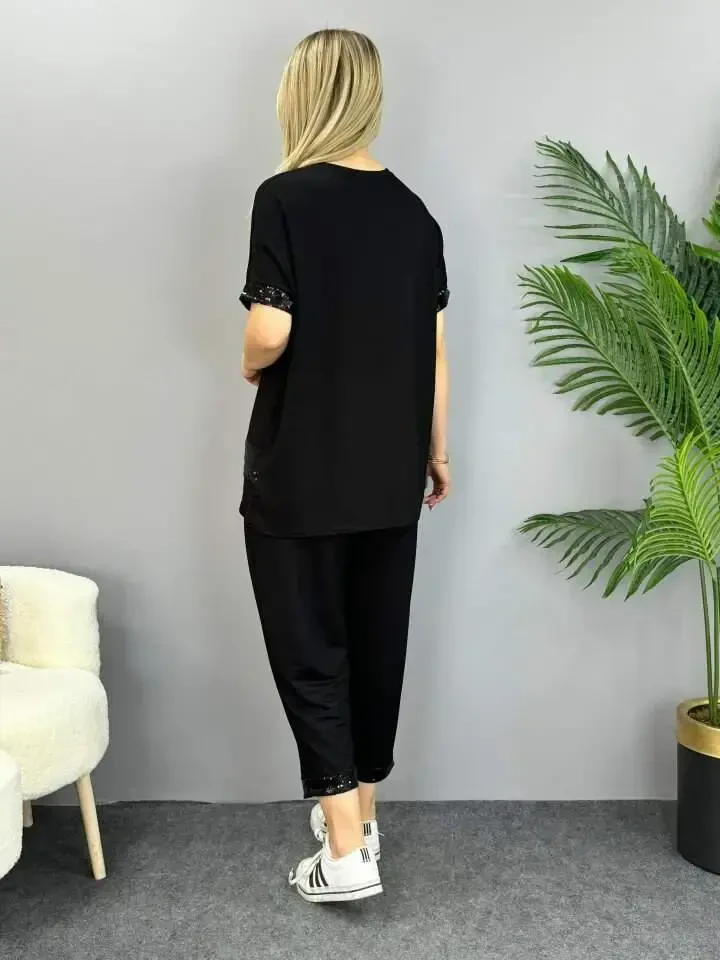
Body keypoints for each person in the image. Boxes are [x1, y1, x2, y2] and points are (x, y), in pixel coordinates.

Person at [240, 28, 450, 903]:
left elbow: (270, 329)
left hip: (301, 468)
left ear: (302, 96)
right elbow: (434, 350)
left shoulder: (285, 197)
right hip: (390, 472)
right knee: (374, 643)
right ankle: (361, 814)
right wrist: (436, 452)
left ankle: (344, 854)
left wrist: (250, 359)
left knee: (310, 648)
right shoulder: (415, 213)